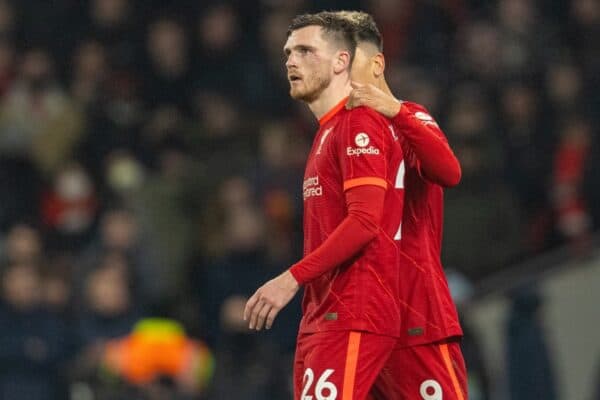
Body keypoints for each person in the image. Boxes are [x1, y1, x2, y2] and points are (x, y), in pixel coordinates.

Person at [244, 12, 406, 400]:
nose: (291, 61)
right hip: (327, 314)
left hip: (354, 312)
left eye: (305, 50)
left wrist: (290, 279)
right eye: (287, 53)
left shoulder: (357, 124)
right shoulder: (326, 134)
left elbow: (366, 221)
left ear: (340, 62)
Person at [340, 11, 468, 399]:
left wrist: (394, 110)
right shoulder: (339, 139)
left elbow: (449, 171)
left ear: (376, 64)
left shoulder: (410, 119)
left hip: (417, 318)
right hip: (360, 326)